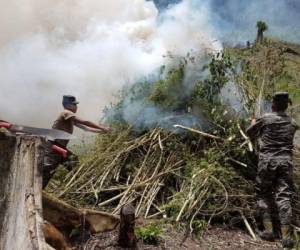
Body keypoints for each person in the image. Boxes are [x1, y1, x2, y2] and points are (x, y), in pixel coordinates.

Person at [246, 92, 298, 248]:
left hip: (268, 162)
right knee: (284, 196)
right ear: (286, 105)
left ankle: (269, 231)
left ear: (273, 104)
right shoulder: (293, 122)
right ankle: (286, 237)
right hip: (286, 163)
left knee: (263, 193)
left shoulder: (266, 118)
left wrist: (254, 121)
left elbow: (250, 132)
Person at [43, 95, 111, 188]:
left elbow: (86, 128)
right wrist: (103, 127)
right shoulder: (66, 113)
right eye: (74, 104)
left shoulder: (70, 118)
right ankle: (37, 192)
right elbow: (85, 122)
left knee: (74, 163)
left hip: (60, 148)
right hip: (53, 147)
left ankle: (81, 186)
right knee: (46, 172)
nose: (76, 107)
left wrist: (103, 131)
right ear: (68, 105)